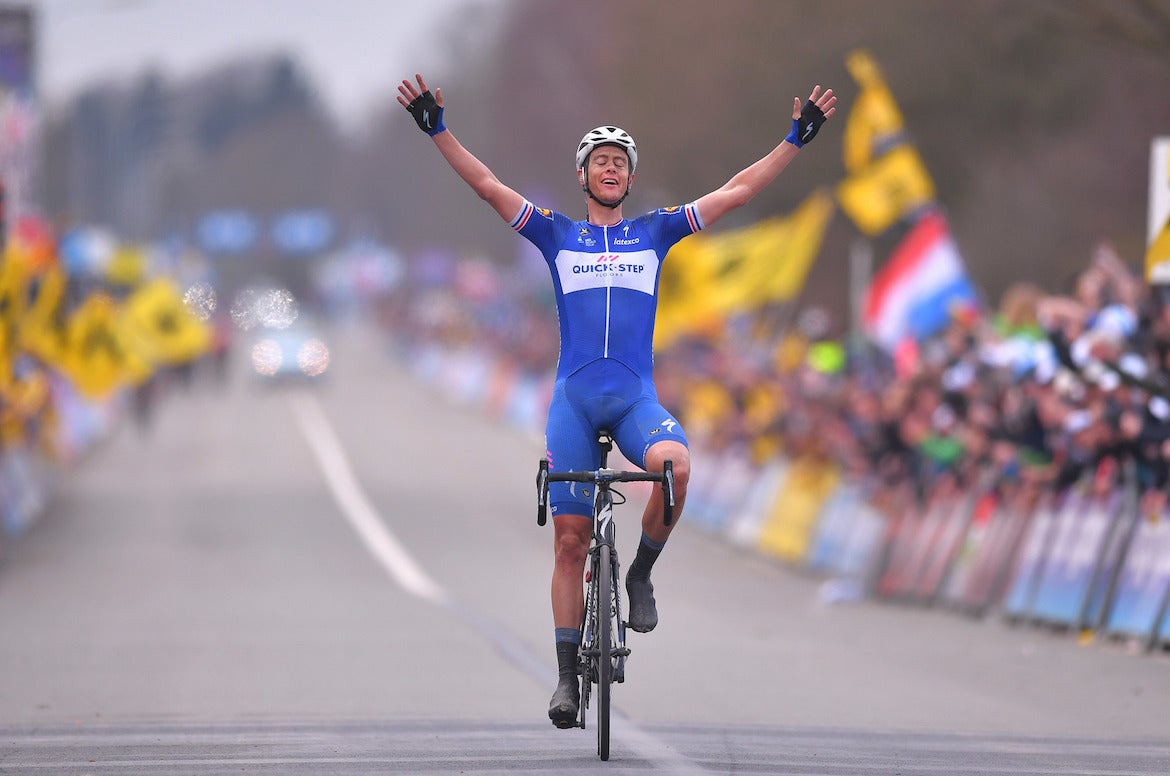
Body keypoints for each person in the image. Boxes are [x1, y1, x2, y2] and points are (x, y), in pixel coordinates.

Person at [397, 72, 836, 728]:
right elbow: (487, 186)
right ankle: (565, 679)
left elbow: (737, 192)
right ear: (583, 176)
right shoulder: (556, 235)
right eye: (600, 161)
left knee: (676, 466)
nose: (610, 169)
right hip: (574, 402)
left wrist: (794, 141)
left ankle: (640, 574)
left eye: (620, 163)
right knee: (569, 543)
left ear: (630, 179)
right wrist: (438, 130)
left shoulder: (656, 232)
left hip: (633, 400)